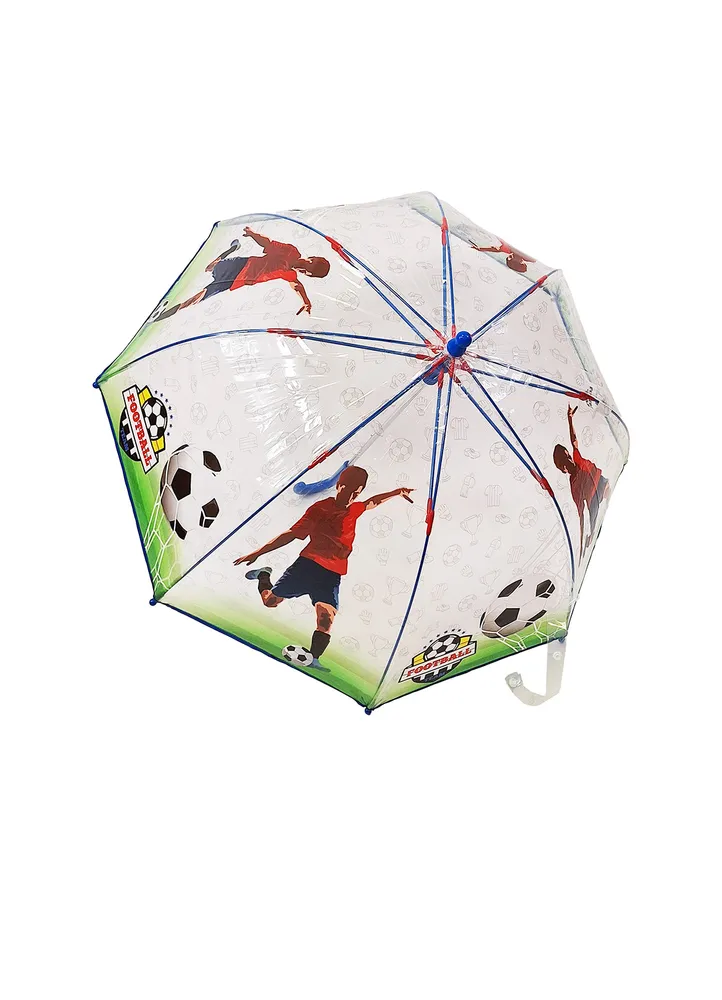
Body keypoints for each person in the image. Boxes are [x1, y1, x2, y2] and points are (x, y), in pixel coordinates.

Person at [233, 467, 414, 668]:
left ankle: (314, 659)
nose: (352, 496)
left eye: (357, 492)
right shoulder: (320, 509)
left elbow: (372, 502)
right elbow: (291, 534)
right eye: (348, 489)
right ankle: (264, 575)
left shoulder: (354, 509)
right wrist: (258, 552)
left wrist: (396, 492)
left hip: (332, 574)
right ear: (339, 486)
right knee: (270, 601)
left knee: (326, 619)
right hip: (308, 567)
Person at [151, 226, 330, 321]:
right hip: (241, 264)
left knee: (200, 296)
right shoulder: (291, 252)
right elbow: (268, 243)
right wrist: (253, 234)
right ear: (311, 258)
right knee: (210, 268)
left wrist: (306, 301)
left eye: (308, 273)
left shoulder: (290, 274)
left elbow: (296, 285)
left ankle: (163, 315)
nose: (304, 270)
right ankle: (231, 250)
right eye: (309, 266)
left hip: (238, 281)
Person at [554, 405, 610, 556]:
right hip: (592, 502)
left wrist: (570, 419)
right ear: (562, 469)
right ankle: (587, 543)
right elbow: (581, 516)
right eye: (565, 460)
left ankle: (589, 540)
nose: (569, 460)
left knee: (608, 492)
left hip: (600, 483)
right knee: (591, 535)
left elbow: (574, 440)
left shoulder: (577, 460)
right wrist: (579, 548)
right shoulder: (574, 484)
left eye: (568, 455)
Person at [469, 236, 536, 273]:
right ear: (521, 261)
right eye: (510, 257)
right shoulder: (530, 258)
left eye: (509, 257)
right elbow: (496, 249)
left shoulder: (509, 250)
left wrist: (480, 249)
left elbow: (496, 249)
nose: (509, 255)